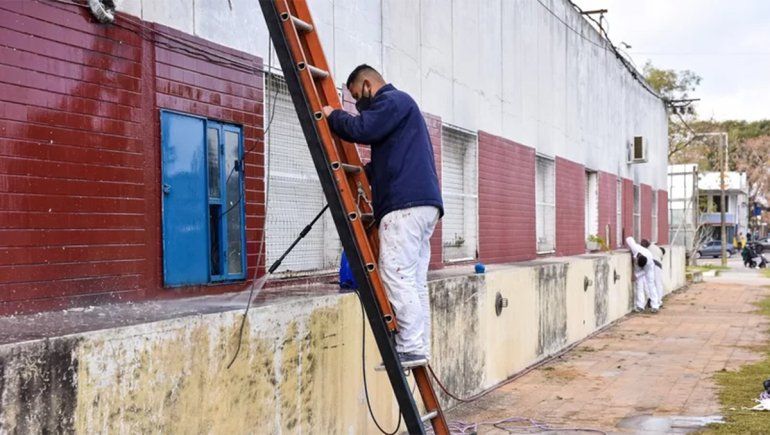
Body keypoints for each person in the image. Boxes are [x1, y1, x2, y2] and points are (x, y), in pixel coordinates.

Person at [322, 65, 443, 366]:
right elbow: (388, 159)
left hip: (405, 206)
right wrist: (362, 176)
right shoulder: (402, 111)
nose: (358, 105)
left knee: (395, 273)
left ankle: (411, 345)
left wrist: (332, 115)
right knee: (413, 280)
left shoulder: (392, 101)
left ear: (367, 84)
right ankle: (419, 346)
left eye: (356, 97)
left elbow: (362, 129)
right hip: (422, 205)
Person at [626, 237, 660, 313]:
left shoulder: (648, 263)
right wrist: (630, 248)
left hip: (649, 268)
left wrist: (636, 275)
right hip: (639, 265)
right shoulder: (635, 248)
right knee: (639, 285)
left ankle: (655, 306)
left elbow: (644, 272)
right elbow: (629, 238)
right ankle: (640, 306)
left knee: (651, 284)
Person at [640, 239, 665, 308]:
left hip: (651, 264)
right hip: (657, 265)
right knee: (657, 283)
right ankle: (658, 301)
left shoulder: (648, 249)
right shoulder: (657, 248)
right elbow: (661, 258)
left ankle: (655, 301)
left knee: (650, 283)